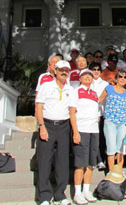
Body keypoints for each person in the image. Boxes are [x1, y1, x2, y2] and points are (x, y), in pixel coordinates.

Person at [35, 60, 73, 205]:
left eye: (67, 70)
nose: (64, 72)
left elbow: (71, 110)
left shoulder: (70, 89)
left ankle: (60, 194)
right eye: (61, 70)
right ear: (55, 71)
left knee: (62, 161)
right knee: (45, 161)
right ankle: (44, 196)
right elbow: (39, 107)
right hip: (48, 125)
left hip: (64, 126)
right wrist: (41, 126)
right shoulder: (46, 86)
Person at [69, 69, 99, 205]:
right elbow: (72, 112)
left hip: (94, 130)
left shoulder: (94, 94)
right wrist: (75, 131)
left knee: (91, 163)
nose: (88, 77)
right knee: (80, 164)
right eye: (85, 75)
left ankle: (86, 190)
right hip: (82, 130)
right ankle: (77, 193)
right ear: (80, 78)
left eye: (90, 76)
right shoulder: (76, 92)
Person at [99, 70, 126, 171]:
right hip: (110, 122)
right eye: (120, 76)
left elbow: (124, 107)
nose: (122, 79)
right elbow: (99, 99)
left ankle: (118, 172)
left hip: (122, 122)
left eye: (125, 77)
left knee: (121, 149)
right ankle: (111, 172)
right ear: (116, 78)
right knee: (111, 148)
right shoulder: (109, 88)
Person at [89, 62, 109, 170]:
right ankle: (95, 160)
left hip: (102, 114)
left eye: (98, 69)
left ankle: (101, 160)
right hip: (91, 115)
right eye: (93, 69)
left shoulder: (105, 84)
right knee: (93, 139)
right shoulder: (87, 83)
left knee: (101, 139)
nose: (96, 71)